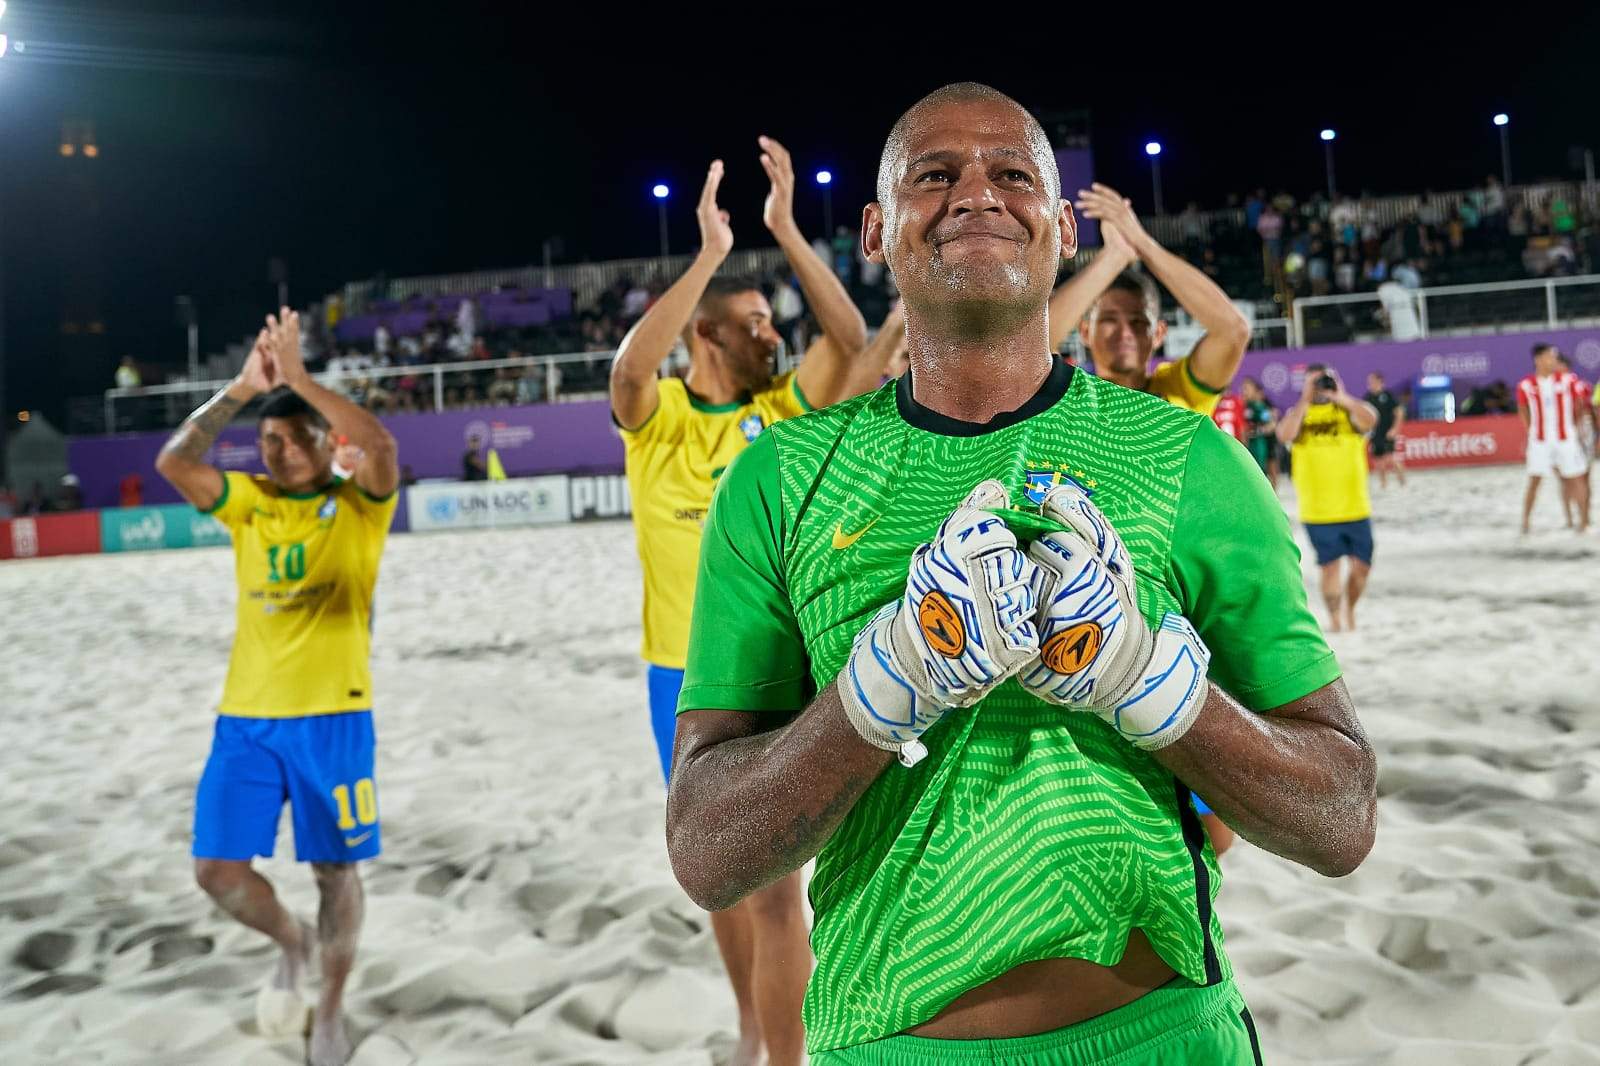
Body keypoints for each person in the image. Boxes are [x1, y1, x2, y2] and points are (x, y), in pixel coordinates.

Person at [666, 83, 1375, 1066]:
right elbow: (706, 851)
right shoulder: (779, 478)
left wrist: (1152, 686)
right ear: (873, 229)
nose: (977, 194)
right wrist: (886, 684)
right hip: (882, 1047)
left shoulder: (1190, 457)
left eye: (1012, 173)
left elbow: (1340, 819)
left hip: (1163, 1037)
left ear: (1056, 227)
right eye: (934, 174)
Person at [609, 137, 870, 1066]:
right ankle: (756, 1032)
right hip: (678, 681)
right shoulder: (666, 421)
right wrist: (710, 260)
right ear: (708, 335)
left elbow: (855, 345)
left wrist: (787, 231)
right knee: (718, 879)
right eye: (757, 321)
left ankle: (784, 1058)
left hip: (776, 670)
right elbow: (629, 375)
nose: (775, 332)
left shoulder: (787, 410)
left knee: (771, 887)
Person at [154, 309, 399, 1066]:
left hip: (333, 721)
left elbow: (384, 447)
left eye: (299, 437)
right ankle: (291, 942)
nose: (283, 449)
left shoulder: (361, 505)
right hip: (247, 722)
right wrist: (240, 389)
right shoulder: (249, 501)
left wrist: (299, 382)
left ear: (332, 444)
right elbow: (174, 461)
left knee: (336, 871)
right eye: (270, 439)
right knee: (215, 870)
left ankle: (329, 1009)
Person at [1047, 185, 1250, 416]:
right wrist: (1114, 256)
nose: (1125, 333)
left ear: (1159, 334)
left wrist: (1142, 242)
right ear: (1085, 332)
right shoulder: (1069, 396)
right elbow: (1038, 339)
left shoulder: (1180, 391)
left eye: (1138, 322)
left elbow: (1233, 331)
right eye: (1109, 320)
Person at [1277, 364, 1379, 632]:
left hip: (1355, 506)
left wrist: (1341, 396)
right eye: (1315, 382)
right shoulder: (1299, 414)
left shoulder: (1348, 411)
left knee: (1362, 569)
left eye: (1324, 381)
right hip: (1318, 510)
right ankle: (1336, 619)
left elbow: (1370, 419)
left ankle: (1350, 608)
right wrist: (1304, 399)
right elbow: (1284, 434)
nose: (1320, 387)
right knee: (1330, 568)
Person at [1518, 344, 1590, 534]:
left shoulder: (1568, 380)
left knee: (1576, 478)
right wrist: (1529, 430)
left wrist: (1575, 424)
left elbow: (1581, 401)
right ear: (1538, 359)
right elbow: (1522, 408)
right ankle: (1525, 522)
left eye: (1555, 357)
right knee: (1535, 479)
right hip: (1539, 440)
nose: (1554, 360)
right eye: (1550, 356)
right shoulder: (1526, 384)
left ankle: (1583, 523)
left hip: (1565, 438)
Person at [1555, 353, 1594, 531]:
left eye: (1557, 365)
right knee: (1565, 479)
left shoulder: (1579, 385)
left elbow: (1587, 410)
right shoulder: (1549, 386)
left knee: (1583, 478)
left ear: (1565, 366)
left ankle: (1584, 517)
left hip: (1580, 434)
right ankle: (1570, 519)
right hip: (1561, 434)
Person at [1364, 371, 1406, 488]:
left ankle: (1402, 481)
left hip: (1387, 432)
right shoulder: (1368, 397)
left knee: (1390, 458)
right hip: (1374, 433)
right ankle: (1384, 484)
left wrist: (1395, 429)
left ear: (1379, 381)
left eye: (1372, 381)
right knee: (1378, 461)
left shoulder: (1388, 395)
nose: (1370, 383)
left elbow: (1399, 412)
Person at [1241, 377, 1279, 486]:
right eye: (1243, 389)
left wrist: (1259, 430)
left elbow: (1271, 423)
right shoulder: (1243, 406)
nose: (1244, 392)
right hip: (1249, 444)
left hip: (1263, 443)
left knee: (1267, 467)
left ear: (1256, 391)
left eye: (1247, 389)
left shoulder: (1262, 407)